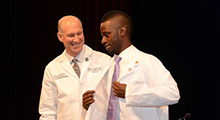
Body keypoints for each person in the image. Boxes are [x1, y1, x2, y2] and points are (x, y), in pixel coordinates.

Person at [83, 10, 180, 120]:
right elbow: (109, 108)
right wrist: (90, 106)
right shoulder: (108, 67)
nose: (103, 41)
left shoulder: (147, 61)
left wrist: (129, 92)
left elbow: (172, 93)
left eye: (107, 35)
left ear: (122, 31)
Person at [38, 15, 111, 120]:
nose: (76, 39)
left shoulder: (104, 61)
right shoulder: (52, 68)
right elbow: (48, 112)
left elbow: (114, 102)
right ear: (60, 37)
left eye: (79, 33)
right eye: (71, 35)